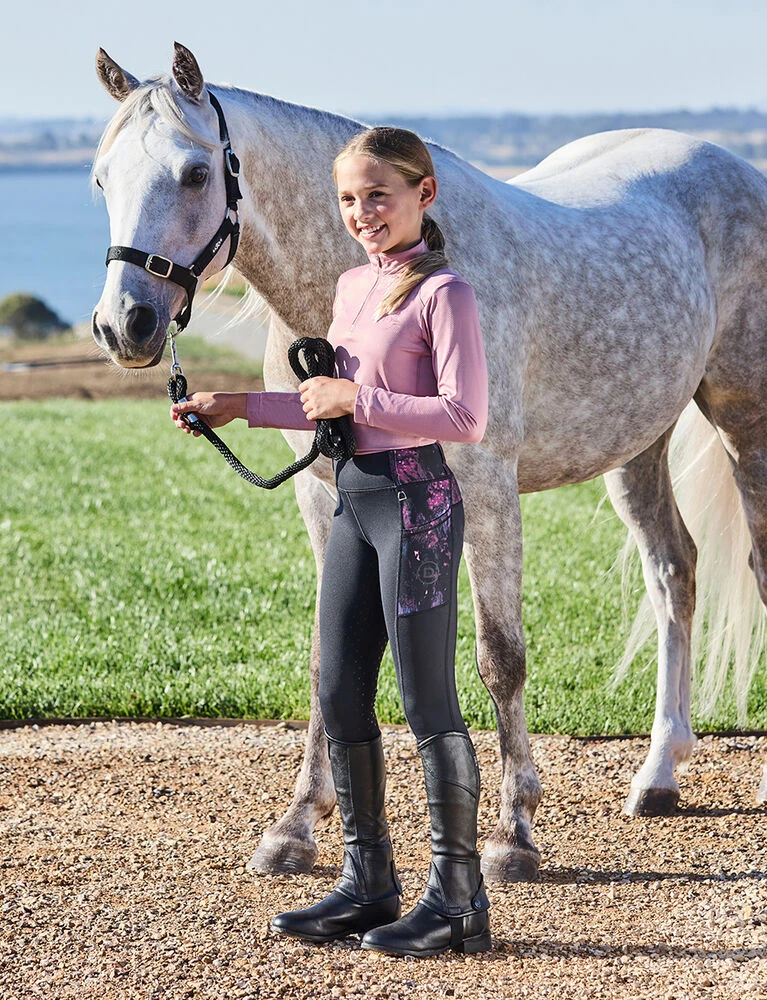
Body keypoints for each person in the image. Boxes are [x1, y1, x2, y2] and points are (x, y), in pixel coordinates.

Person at [170, 127, 490, 957]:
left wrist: (361, 394)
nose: (361, 213)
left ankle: (457, 902)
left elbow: (465, 416)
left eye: (377, 195)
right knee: (341, 693)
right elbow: (331, 404)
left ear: (424, 195)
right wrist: (239, 403)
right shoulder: (352, 288)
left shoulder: (442, 294)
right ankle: (369, 882)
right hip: (352, 501)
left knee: (427, 704)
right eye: (349, 199)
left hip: (416, 502)